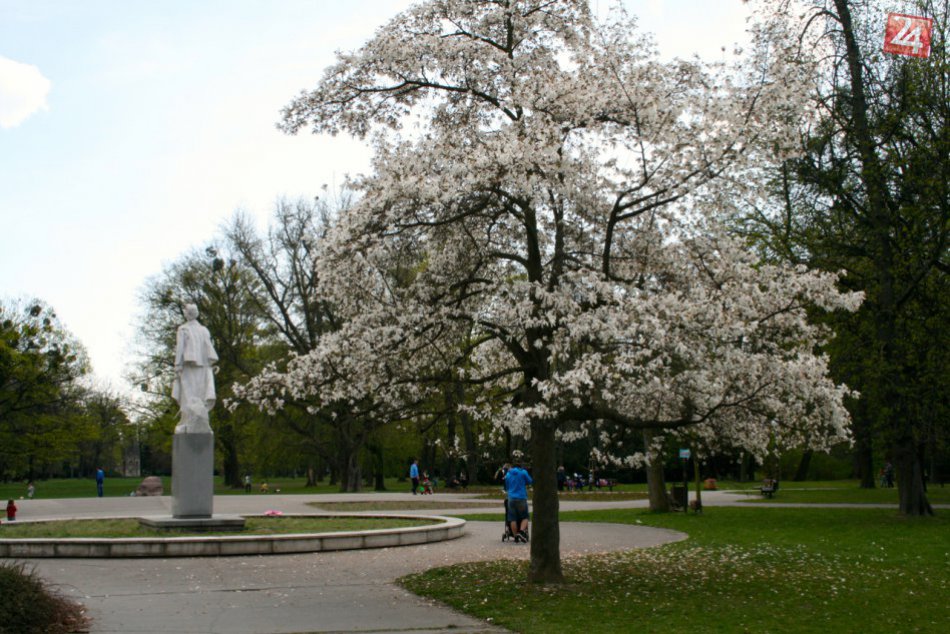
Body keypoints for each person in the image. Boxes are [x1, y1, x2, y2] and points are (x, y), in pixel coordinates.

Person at [172, 304, 218, 434]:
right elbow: (209, 350)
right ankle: (197, 423)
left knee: (188, 394)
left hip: (188, 367)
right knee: (199, 395)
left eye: (185, 311)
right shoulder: (204, 330)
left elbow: (180, 349)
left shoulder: (183, 329)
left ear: (188, 314)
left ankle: (188, 422)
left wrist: (177, 365)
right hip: (203, 367)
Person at [504, 461, 533, 543]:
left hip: (511, 498)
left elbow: (507, 486)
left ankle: (515, 535)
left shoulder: (508, 474)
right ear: (520, 466)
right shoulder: (523, 472)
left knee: (512, 518)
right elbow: (530, 481)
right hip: (521, 497)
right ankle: (521, 532)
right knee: (525, 517)